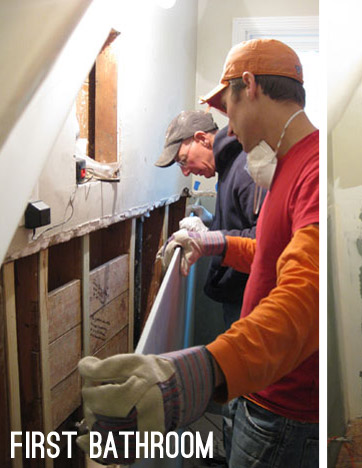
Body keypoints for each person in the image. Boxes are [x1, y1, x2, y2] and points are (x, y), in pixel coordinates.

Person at [76, 38, 319, 468]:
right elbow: (271, 251)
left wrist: (208, 370)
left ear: (251, 86)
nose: (230, 126)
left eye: (229, 107)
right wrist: (218, 242)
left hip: (282, 404)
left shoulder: (313, 167)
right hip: (259, 390)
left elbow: (306, 295)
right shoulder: (285, 164)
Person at [155, 110, 264, 330]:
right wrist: (212, 222)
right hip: (238, 293)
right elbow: (240, 224)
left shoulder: (246, 169)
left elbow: (263, 241)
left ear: (202, 139)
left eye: (184, 160)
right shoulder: (228, 168)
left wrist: (207, 239)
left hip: (251, 299)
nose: (186, 172)